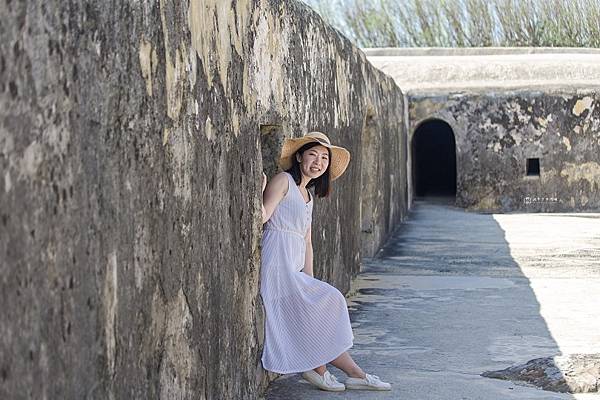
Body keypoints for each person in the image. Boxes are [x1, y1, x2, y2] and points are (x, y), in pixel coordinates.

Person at [260, 131, 392, 392]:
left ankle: (334, 371)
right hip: (276, 264)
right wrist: (259, 188)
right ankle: (340, 371)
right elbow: (264, 215)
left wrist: (309, 279)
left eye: (324, 158)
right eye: (312, 155)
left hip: (293, 266)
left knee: (321, 305)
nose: (318, 162)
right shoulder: (284, 181)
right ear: (299, 156)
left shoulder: (307, 195)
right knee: (332, 299)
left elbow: (307, 242)